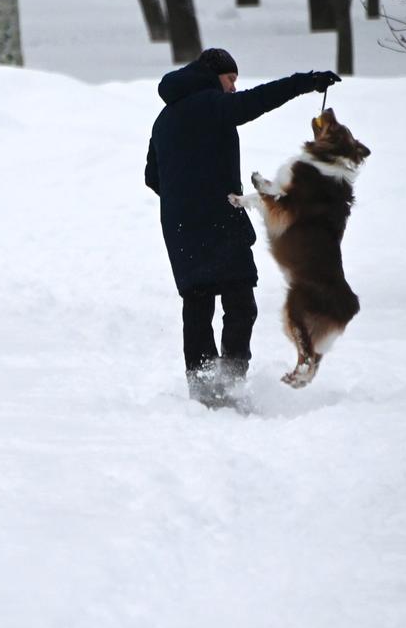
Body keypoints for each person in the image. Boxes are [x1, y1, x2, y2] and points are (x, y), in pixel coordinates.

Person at [144, 48, 340, 406]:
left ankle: (202, 385)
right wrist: (305, 83)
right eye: (231, 79)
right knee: (239, 301)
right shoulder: (211, 104)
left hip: (180, 227)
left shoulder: (164, 118)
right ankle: (231, 379)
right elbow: (258, 100)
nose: (234, 88)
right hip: (219, 219)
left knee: (198, 303)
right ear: (212, 75)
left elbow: (152, 177)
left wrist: (185, 196)